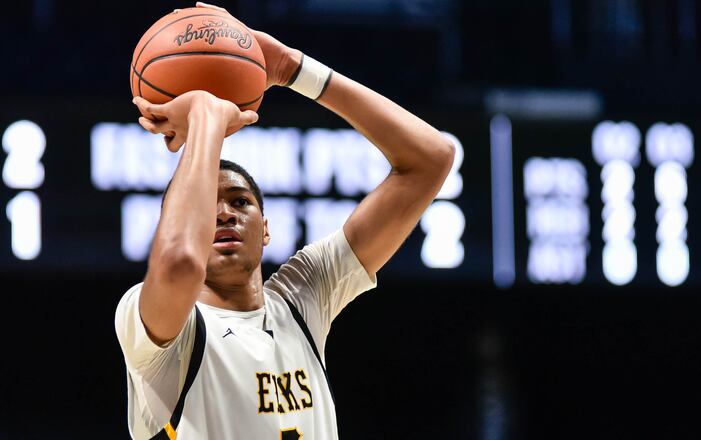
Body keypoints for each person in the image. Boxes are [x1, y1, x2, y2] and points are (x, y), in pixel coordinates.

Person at [114, 2, 455, 439]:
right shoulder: (156, 327)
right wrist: (205, 117)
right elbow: (180, 263)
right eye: (208, 204)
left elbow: (431, 159)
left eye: (240, 201)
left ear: (266, 228)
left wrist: (294, 68)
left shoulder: (301, 297)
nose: (222, 212)